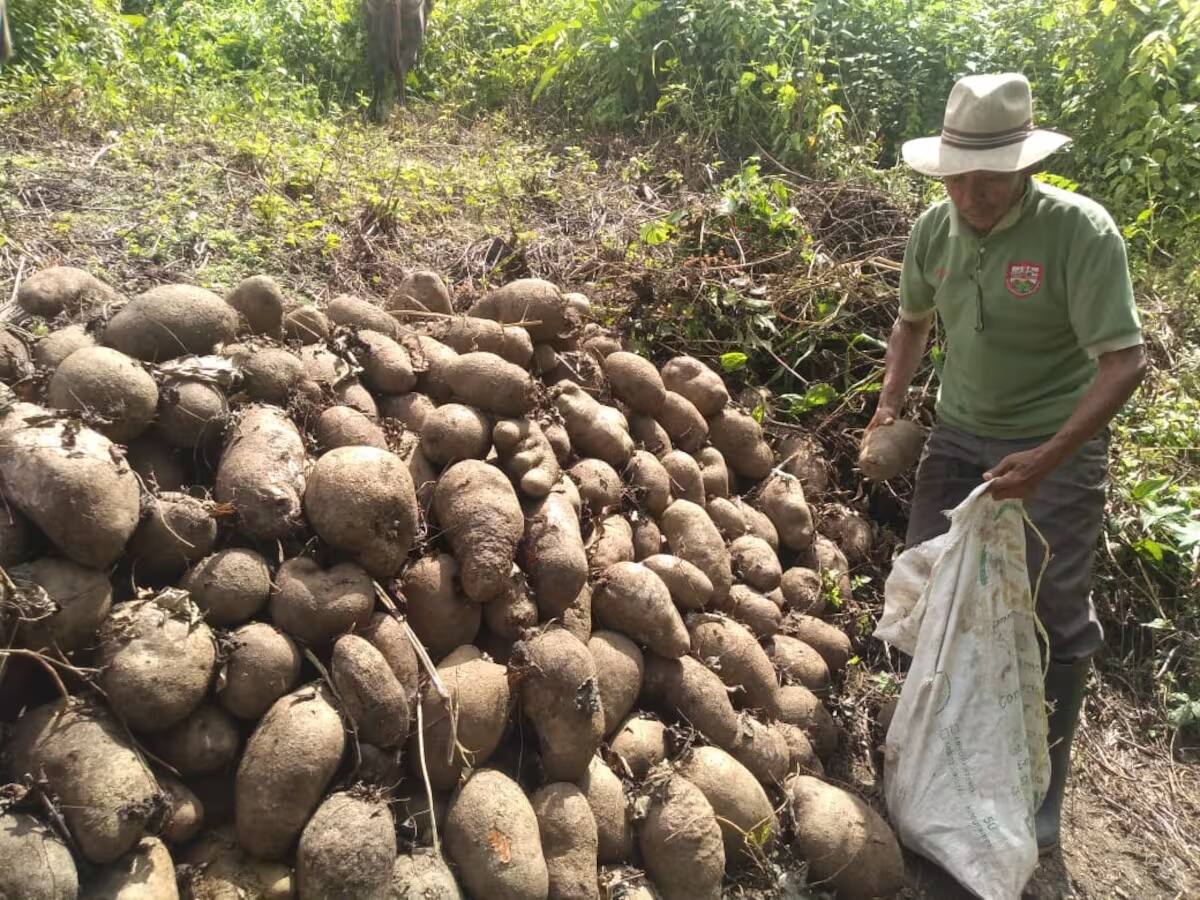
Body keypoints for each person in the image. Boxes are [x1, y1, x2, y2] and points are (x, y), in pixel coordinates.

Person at [869, 73, 1147, 852]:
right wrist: (891, 405)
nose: (971, 196)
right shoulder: (935, 228)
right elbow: (911, 321)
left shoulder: (1080, 233)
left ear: (1025, 166)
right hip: (958, 435)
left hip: (1055, 443)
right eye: (957, 178)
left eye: (989, 180)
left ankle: (1045, 789)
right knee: (926, 584)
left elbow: (1124, 362)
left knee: (1055, 615)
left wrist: (1052, 456)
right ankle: (933, 746)